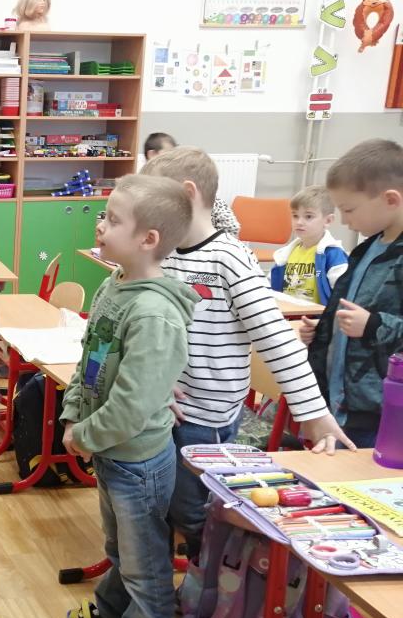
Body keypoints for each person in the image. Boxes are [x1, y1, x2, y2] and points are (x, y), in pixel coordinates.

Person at [141, 146, 355, 561]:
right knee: (163, 505)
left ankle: (214, 583)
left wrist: (314, 414)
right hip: (161, 409)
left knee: (194, 511)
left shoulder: (230, 259)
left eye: (154, 198)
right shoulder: (163, 253)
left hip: (205, 419)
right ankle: (169, 585)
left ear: (187, 194)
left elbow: (277, 341)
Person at [62, 174, 198, 618]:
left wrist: (84, 436)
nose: (100, 225)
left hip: (137, 462)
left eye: (114, 220)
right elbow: (88, 361)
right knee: (119, 548)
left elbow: (132, 405)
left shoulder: (155, 314)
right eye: (104, 215)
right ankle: (111, 610)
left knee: (146, 567)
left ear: (148, 239)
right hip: (111, 453)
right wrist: (73, 412)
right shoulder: (113, 285)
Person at [302, 139, 403, 448]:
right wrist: (325, 330)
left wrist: (373, 325)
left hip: (380, 411)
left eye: (349, 210)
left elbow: (372, 322)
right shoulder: (367, 249)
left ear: (390, 199)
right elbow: (352, 308)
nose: (345, 221)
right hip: (342, 398)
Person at [143, 132, 240, 237]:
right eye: (168, 153)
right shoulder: (143, 191)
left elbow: (231, 226)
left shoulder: (197, 194)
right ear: (152, 155)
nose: (171, 158)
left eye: (173, 153)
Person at [270, 185, 349, 304]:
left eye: (308, 216)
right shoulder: (285, 254)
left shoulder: (333, 254)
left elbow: (344, 295)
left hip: (316, 315)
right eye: (295, 216)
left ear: (328, 220)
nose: (299, 222)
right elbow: (269, 287)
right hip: (287, 312)